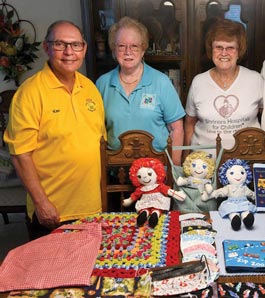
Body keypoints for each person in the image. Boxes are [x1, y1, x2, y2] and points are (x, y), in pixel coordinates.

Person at [4, 20, 106, 240]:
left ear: (84, 48)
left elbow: (97, 142)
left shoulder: (90, 88)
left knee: (89, 272)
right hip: (53, 213)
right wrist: (42, 204)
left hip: (91, 209)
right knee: (52, 273)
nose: (69, 52)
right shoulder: (30, 93)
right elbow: (20, 155)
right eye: (60, 44)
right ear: (47, 47)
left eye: (75, 45)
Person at [96, 16, 185, 166]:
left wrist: (173, 168)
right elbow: (97, 129)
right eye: (121, 46)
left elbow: (177, 129)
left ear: (143, 49)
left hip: (157, 170)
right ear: (114, 49)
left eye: (134, 46)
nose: (128, 52)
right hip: (116, 169)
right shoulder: (102, 83)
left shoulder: (161, 82)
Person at [185, 18, 263, 157]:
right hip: (203, 165)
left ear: (239, 51)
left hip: (245, 162)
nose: (224, 53)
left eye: (230, 48)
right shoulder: (199, 82)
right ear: (211, 49)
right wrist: (187, 157)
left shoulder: (256, 79)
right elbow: (190, 123)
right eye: (219, 47)